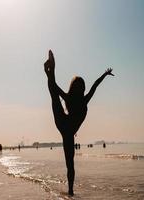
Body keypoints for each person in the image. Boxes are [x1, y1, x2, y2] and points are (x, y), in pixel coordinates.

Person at [44, 50, 113, 196]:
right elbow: (95, 85)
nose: (83, 88)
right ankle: (70, 191)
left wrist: (49, 75)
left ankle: (52, 69)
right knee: (70, 164)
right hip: (67, 130)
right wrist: (105, 75)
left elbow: (55, 88)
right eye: (82, 86)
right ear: (81, 88)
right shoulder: (83, 100)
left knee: (54, 95)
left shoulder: (71, 98)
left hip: (63, 124)